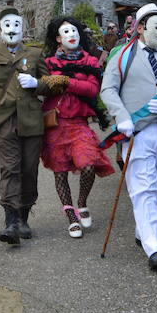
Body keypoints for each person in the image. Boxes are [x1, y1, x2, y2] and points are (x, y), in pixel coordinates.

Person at [100, 3, 157, 271]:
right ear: (140, 28)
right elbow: (108, 89)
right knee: (144, 188)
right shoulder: (121, 55)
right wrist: (121, 116)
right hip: (137, 132)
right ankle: (156, 247)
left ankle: (144, 230)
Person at [0, 7, 50, 245]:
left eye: (16, 25)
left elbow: (49, 84)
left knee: (29, 170)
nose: (12, 29)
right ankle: (11, 222)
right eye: (7, 25)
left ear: (22, 28)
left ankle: (25, 217)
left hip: (32, 121)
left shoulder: (35, 54)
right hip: (3, 121)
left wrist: (36, 82)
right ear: (0, 29)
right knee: (10, 169)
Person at [40, 17, 115, 238]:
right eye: (66, 31)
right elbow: (42, 87)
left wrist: (65, 82)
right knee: (60, 171)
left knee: (89, 163)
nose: (72, 34)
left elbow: (92, 89)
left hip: (79, 124)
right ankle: (71, 216)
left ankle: (82, 202)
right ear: (58, 38)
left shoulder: (90, 61)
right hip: (55, 123)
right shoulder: (49, 63)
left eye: (75, 30)